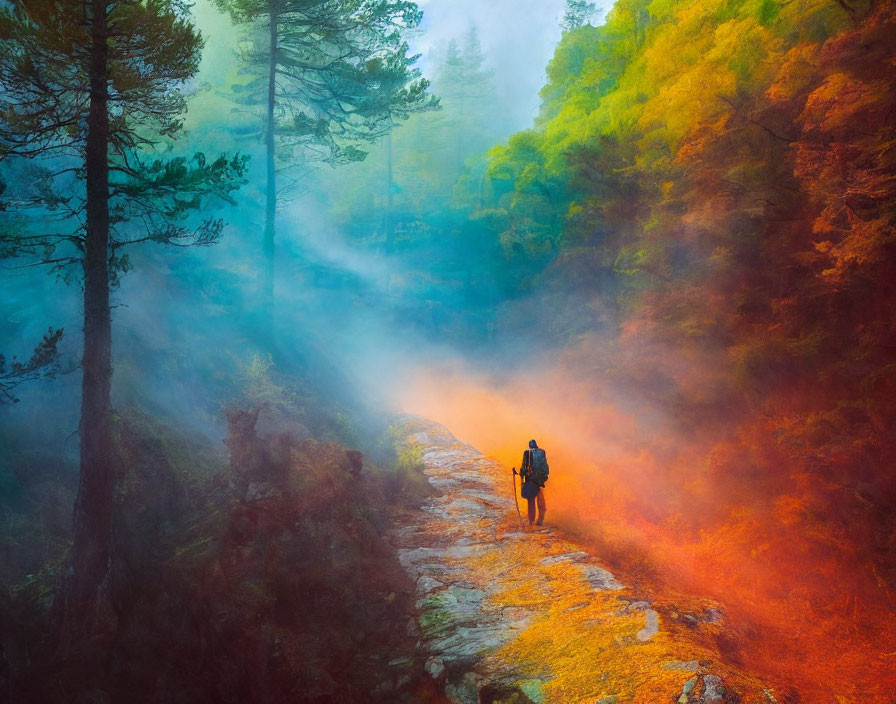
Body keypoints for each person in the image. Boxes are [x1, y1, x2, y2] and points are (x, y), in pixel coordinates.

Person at [520, 439, 548, 526]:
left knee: (531, 501)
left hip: (531, 480)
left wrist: (521, 474)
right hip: (540, 479)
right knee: (540, 497)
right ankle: (540, 519)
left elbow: (524, 467)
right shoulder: (542, 452)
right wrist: (544, 477)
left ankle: (531, 522)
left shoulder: (527, 453)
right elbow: (546, 467)